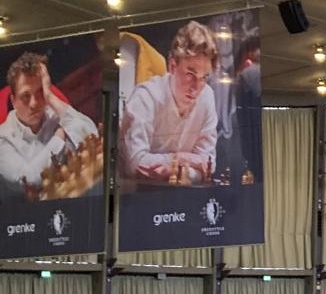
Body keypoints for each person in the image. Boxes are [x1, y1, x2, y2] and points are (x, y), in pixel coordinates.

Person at [119, 19, 220, 182]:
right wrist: (182, 159)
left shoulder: (207, 97)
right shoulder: (146, 97)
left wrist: (181, 173)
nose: (196, 87)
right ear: (172, 66)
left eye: (204, 78)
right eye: (190, 75)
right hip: (132, 192)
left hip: (182, 192)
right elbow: (135, 163)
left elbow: (208, 163)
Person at [0, 49, 99, 198]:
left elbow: (92, 138)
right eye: (26, 96)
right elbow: (29, 180)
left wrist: (50, 97)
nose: (34, 103)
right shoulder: (3, 138)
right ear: (13, 101)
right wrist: (59, 138)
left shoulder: (55, 116)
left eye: (40, 92)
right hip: (25, 213)